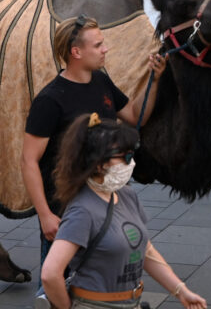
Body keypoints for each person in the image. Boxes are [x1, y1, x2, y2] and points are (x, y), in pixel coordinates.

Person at [21, 16, 165, 270]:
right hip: (67, 210)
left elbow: (134, 116)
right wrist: (45, 215)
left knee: (103, 275)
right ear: (76, 52)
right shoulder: (50, 100)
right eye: (98, 45)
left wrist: (154, 80)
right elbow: (28, 161)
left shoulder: (101, 81)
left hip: (106, 201)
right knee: (59, 279)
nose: (105, 49)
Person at [41, 113, 208, 309]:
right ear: (99, 163)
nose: (131, 162)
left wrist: (181, 290)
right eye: (125, 156)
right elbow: (50, 273)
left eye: (132, 153)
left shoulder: (126, 195)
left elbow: (145, 250)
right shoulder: (83, 210)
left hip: (131, 303)